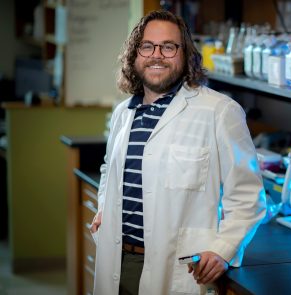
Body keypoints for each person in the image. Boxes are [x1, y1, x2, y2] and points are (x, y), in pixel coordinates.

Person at [90, 10, 266, 295]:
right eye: (147, 46)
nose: (156, 55)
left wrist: (224, 249)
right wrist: (104, 209)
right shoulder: (124, 112)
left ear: (185, 54)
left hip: (177, 270)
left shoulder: (219, 112)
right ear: (134, 55)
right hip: (116, 261)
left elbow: (248, 196)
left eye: (168, 47)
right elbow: (110, 170)